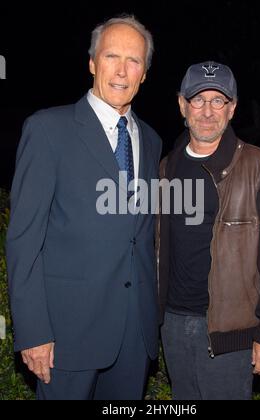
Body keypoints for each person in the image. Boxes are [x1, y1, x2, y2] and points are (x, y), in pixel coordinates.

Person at [6, 15, 162, 400]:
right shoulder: (47, 130)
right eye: (112, 56)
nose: (122, 71)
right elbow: (23, 241)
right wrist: (34, 331)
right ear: (92, 63)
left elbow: (138, 237)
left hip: (134, 334)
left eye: (134, 60)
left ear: (144, 73)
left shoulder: (153, 141)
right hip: (66, 333)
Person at [158, 61, 260, 400]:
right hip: (172, 325)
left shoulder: (258, 166)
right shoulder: (165, 167)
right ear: (182, 105)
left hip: (230, 333)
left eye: (217, 100)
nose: (207, 110)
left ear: (232, 108)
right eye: (198, 99)